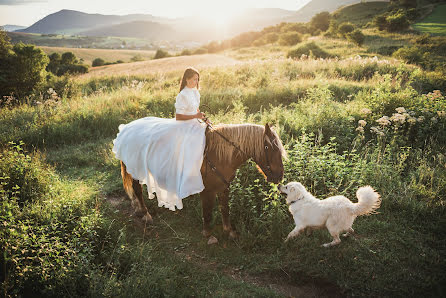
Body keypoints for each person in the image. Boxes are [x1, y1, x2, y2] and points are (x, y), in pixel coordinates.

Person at [112, 67, 207, 211]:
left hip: (194, 124)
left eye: (197, 79)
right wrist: (195, 117)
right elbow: (179, 117)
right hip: (182, 126)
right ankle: (173, 177)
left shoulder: (195, 92)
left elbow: (195, 109)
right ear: (187, 79)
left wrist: (200, 116)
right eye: (194, 79)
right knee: (178, 150)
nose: (196, 81)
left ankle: (193, 177)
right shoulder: (182, 95)